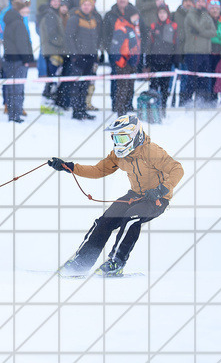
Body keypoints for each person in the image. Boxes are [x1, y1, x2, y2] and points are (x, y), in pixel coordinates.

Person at [49, 113, 184, 277]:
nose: (117, 143)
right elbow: (98, 170)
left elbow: (177, 169)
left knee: (131, 219)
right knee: (104, 221)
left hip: (157, 199)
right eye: (115, 138)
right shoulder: (118, 155)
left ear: (134, 135)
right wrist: (69, 167)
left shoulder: (151, 151)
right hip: (135, 195)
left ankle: (116, 262)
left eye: (121, 138)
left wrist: (162, 189)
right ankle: (81, 263)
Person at [62, 0, 102, 120]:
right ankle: (76, 110)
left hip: (91, 56)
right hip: (79, 57)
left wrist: (96, 54)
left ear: (92, 6)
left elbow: (95, 38)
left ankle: (83, 109)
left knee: (85, 84)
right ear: (81, 5)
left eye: (89, 4)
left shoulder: (93, 19)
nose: (86, 6)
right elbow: (69, 37)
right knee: (77, 84)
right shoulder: (75, 18)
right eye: (84, 4)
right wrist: (74, 54)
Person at [180, 0, 217, 107]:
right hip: (193, 52)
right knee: (192, 79)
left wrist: (202, 33)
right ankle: (186, 102)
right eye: (199, 1)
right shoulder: (191, 15)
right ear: (195, 3)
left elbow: (213, 33)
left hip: (205, 52)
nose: (201, 4)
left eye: (203, 2)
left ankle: (201, 103)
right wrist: (204, 28)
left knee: (203, 80)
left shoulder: (206, 15)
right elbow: (199, 27)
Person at [3, 0, 35, 122]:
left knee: (12, 88)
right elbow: (22, 43)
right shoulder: (18, 23)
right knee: (17, 88)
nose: (28, 10)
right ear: (20, 9)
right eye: (26, 7)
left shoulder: (11, 21)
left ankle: (13, 114)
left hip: (10, 60)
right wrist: (26, 58)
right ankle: (15, 114)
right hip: (18, 61)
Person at [145, 3, 179, 104]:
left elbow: (176, 45)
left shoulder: (173, 26)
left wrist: (176, 62)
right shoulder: (153, 26)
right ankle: (153, 108)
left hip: (167, 62)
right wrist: (147, 62)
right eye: (160, 12)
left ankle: (163, 107)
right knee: (154, 86)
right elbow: (148, 46)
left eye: (164, 12)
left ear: (167, 14)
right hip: (155, 62)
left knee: (165, 86)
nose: (162, 15)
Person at [108, 12, 141, 116]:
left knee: (130, 88)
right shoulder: (122, 28)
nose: (136, 18)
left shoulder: (133, 28)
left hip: (132, 63)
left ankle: (127, 108)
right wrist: (120, 61)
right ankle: (121, 112)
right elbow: (114, 48)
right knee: (122, 89)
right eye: (134, 15)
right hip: (123, 64)